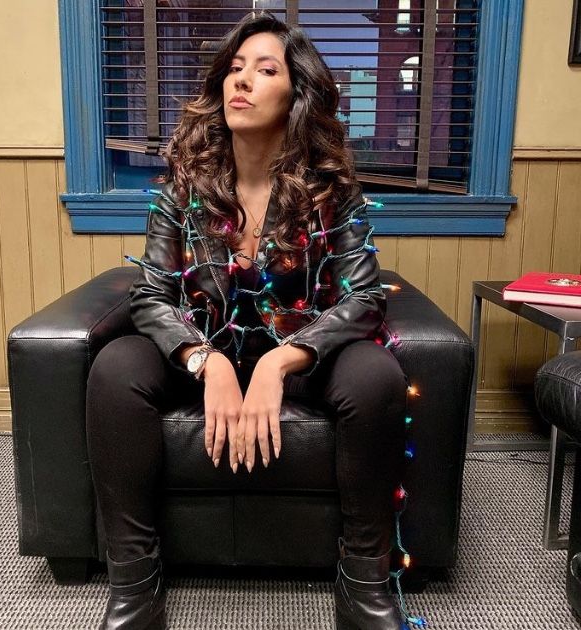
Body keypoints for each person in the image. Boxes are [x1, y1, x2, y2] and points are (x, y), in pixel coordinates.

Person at [86, 11, 412, 630]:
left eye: (265, 71)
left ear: (297, 95)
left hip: (302, 353)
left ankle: (365, 580)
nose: (243, 81)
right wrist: (204, 362)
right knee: (114, 367)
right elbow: (151, 296)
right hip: (203, 348)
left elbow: (364, 297)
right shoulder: (183, 187)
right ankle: (134, 584)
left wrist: (281, 360)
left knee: (376, 376)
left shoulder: (328, 190)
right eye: (235, 69)